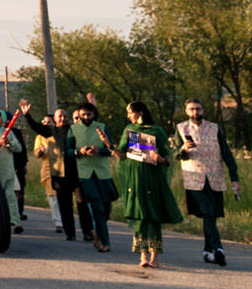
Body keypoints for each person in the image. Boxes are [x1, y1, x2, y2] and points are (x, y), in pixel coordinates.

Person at [114, 100, 184, 270]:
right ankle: (142, 255)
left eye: (130, 112)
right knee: (140, 216)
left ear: (140, 113)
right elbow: (122, 155)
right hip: (135, 179)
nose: (128, 115)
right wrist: (111, 147)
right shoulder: (129, 131)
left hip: (152, 179)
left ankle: (155, 256)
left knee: (152, 216)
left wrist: (159, 159)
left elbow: (168, 158)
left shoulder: (156, 131)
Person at [176, 97, 241, 266]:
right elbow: (176, 154)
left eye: (198, 109)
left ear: (203, 110)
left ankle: (207, 251)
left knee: (210, 216)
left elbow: (226, 153)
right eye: (191, 109)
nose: (195, 112)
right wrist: (183, 149)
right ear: (186, 111)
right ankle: (218, 249)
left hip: (214, 177)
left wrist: (234, 178)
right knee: (208, 212)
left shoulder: (214, 128)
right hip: (193, 178)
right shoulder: (181, 128)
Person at [22, 101, 79, 240]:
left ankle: (89, 232)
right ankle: (70, 232)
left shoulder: (73, 130)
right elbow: (35, 127)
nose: (63, 119)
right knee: (64, 205)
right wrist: (27, 115)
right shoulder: (50, 131)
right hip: (58, 173)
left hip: (75, 172)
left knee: (81, 202)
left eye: (65, 116)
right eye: (59, 116)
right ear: (55, 119)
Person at [65, 103, 117, 251]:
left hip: (103, 173)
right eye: (83, 115)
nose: (86, 117)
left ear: (94, 114)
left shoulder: (102, 126)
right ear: (79, 115)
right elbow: (68, 151)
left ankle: (97, 232)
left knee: (106, 207)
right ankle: (105, 243)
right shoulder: (73, 129)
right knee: (97, 207)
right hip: (85, 174)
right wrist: (79, 151)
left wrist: (99, 150)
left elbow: (111, 149)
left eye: (89, 114)